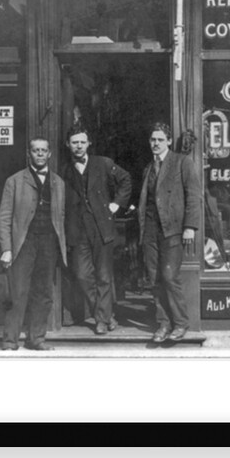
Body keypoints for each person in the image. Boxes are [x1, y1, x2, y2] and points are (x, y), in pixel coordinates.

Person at [0, 137, 67, 351]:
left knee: (43, 293)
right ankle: (10, 340)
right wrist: (7, 249)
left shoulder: (58, 182)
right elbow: (4, 217)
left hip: (48, 242)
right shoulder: (15, 181)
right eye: (35, 150)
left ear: (49, 154)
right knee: (17, 292)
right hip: (23, 243)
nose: (39, 154)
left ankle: (37, 338)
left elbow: (61, 216)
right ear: (29, 153)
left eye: (43, 150)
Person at [61, 123, 132, 335]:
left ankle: (101, 319)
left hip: (102, 227)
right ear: (68, 145)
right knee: (82, 275)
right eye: (75, 143)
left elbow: (126, 180)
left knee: (103, 275)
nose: (79, 146)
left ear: (89, 143)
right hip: (77, 230)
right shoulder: (63, 171)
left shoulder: (103, 163)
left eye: (82, 142)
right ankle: (106, 314)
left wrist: (116, 204)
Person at [138, 122, 202, 342]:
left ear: (167, 141)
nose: (155, 144)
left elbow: (194, 196)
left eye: (160, 140)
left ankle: (181, 323)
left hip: (173, 229)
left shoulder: (182, 162)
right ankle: (163, 324)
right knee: (155, 279)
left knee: (169, 276)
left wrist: (190, 227)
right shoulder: (148, 168)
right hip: (150, 229)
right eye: (152, 140)